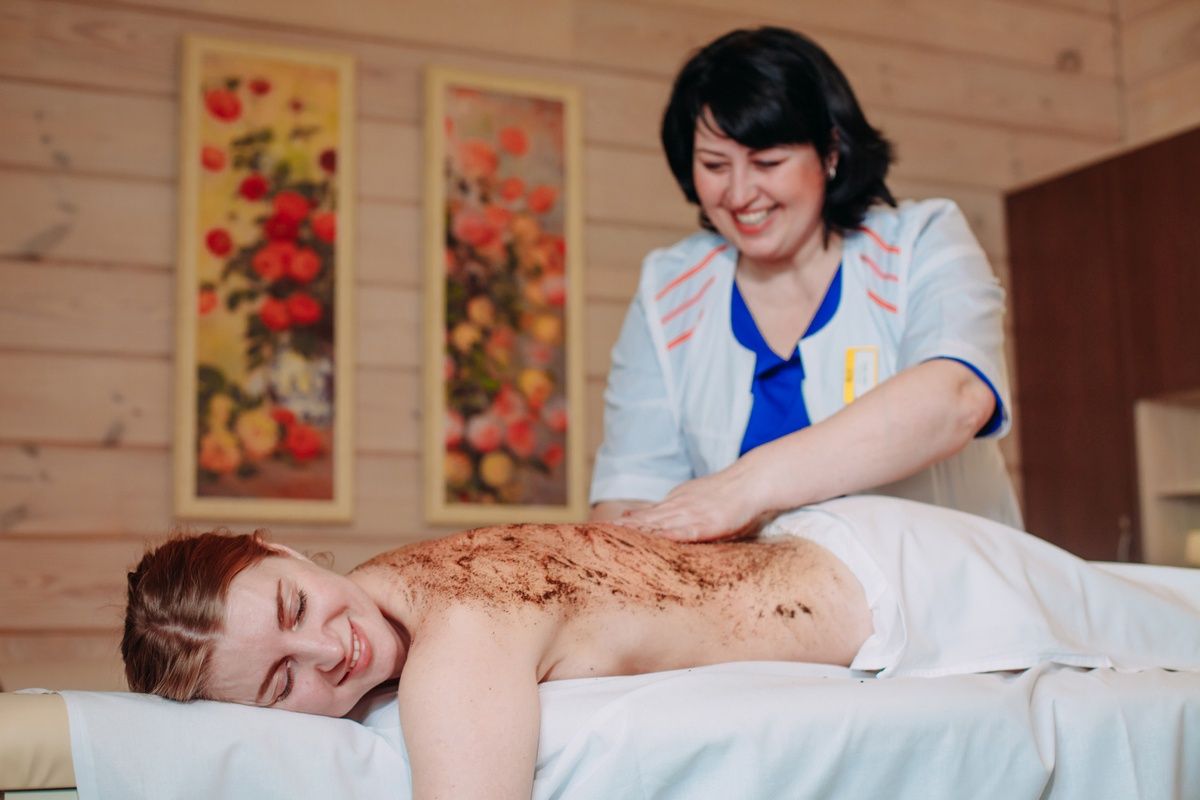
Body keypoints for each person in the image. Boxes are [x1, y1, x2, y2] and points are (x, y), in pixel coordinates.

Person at [122, 496, 1200, 799]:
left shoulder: (455, 645)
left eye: (294, 604)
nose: (330, 650)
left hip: (900, 583)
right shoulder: (394, 583)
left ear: (283, 548)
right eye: (282, 681)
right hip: (863, 563)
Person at [590, 26, 1022, 540]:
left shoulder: (920, 240)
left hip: (945, 584)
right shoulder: (668, 289)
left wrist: (745, 487)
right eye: (714, 165)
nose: (740, 194)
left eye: (768, 162)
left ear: (830, 152)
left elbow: (957, 397)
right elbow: (630, 493)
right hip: (755, 592)